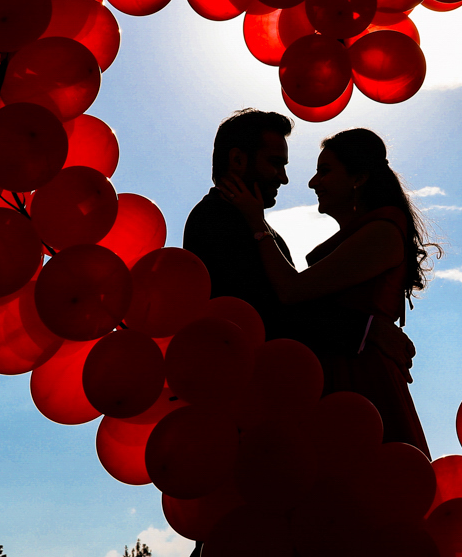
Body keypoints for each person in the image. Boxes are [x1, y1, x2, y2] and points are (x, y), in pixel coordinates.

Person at [220, 126, 439, 455]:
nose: (312, 182)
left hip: (360, 377)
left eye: (325, 170)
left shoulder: (383, 230)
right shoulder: (368, 234)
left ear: (358, 178)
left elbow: (291, 290)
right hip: (335, 371)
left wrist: (256, 225)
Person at [182, 109, 415, 372]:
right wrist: (366, 330)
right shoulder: (215, 219)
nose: (284, 178)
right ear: (237, 159)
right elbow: (265, 309)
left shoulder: (255, 224)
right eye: (275, 163)